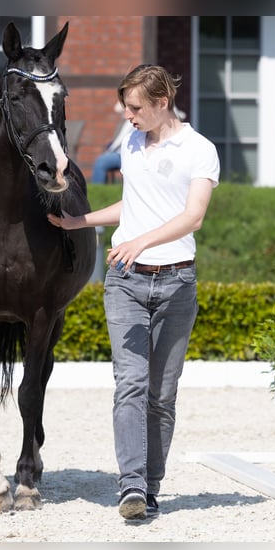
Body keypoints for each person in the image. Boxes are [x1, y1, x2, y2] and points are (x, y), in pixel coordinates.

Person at [47, 64, 220, 520]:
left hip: (176, 282)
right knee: (131, 384)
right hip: (126, 281)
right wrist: (78, 222)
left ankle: (152, 484)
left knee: (162, 394)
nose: (127, 115)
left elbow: (193, 216)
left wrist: (142, 238)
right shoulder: (132, 142)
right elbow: (135, 204)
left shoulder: (199, 150)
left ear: (162, 103)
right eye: (126, 106)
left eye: (135, 107)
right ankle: (132, 486)